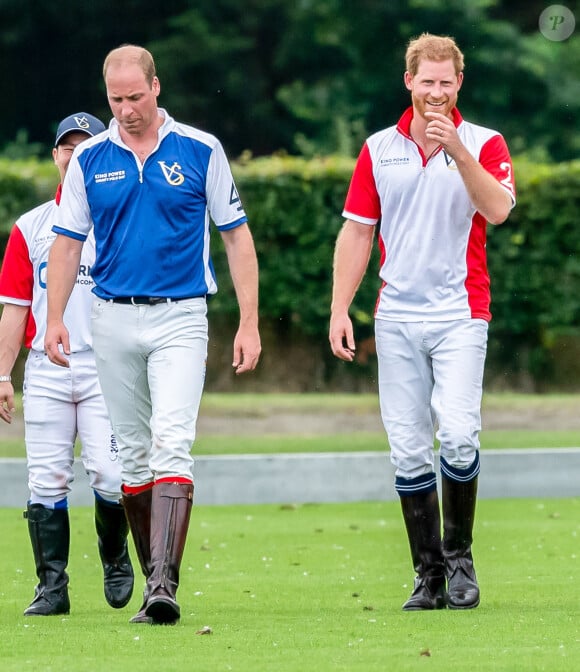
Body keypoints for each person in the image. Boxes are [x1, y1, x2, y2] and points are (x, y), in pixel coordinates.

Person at [44, 45, 261, 625]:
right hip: (111, 317)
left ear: (156, 87)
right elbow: (66, 243)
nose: (127, 109)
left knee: (172, 440)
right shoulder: (90, 158)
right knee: (130, 462)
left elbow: (237, 237)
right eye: (116, 100)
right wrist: (55, 317)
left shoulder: (200, 149)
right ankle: (152, 581)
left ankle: (164, 584)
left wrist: (248, 321)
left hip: (181, 315)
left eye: (135, 97)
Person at [329, 33, 515, 611]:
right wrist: (340, 307)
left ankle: (460, 563)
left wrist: (457, 151)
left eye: (446, 82)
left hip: (461, 312)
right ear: (407, 81)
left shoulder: (484, 142)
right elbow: (359, 230)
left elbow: (499, 209)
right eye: (426, 81)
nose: (436, 92)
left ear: (460, 84)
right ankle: (428, 575)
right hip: (397, 315)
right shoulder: (378, 147)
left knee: (458, 435)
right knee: (408, 449)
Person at [0, 112, 134, 616]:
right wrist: (1, 375)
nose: (74, 155)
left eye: (85, 146)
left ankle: (115, 555)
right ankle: (52, 588)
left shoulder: (119, 218)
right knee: (46, 479)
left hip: (105, 367)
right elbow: (14, 307)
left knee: (109, 470)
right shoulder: (30, 226)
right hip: (47, 367)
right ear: (55, 156)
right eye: (66, 147)